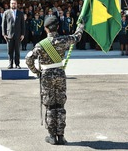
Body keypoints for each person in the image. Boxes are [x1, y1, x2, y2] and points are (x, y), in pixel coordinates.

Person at [25, 16, 84, 145]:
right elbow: (77, 37)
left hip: (46, 76)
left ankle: (52, 136)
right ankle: (61, 136)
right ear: (57, 27)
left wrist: (36, 72)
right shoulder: (64, 40)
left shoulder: (41, 44)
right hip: (60, 74)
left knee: (50, 106)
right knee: (60, 105)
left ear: (46, 28)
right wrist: (81, 26)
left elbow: (28, 59)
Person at [2, 0, 25, 69]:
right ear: (10, 4)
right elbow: (3, 24)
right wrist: (4, 34)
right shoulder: (6, 13)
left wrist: (23, 34)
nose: (13, 4)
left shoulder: (20, 13)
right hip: (9, 35)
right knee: (10, 51)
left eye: (14, 3)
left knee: (17, 51)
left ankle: (17, 64)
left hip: (18, 35)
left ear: (17, 4)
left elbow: (23, 24)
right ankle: (10, 64)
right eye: (12, 3)